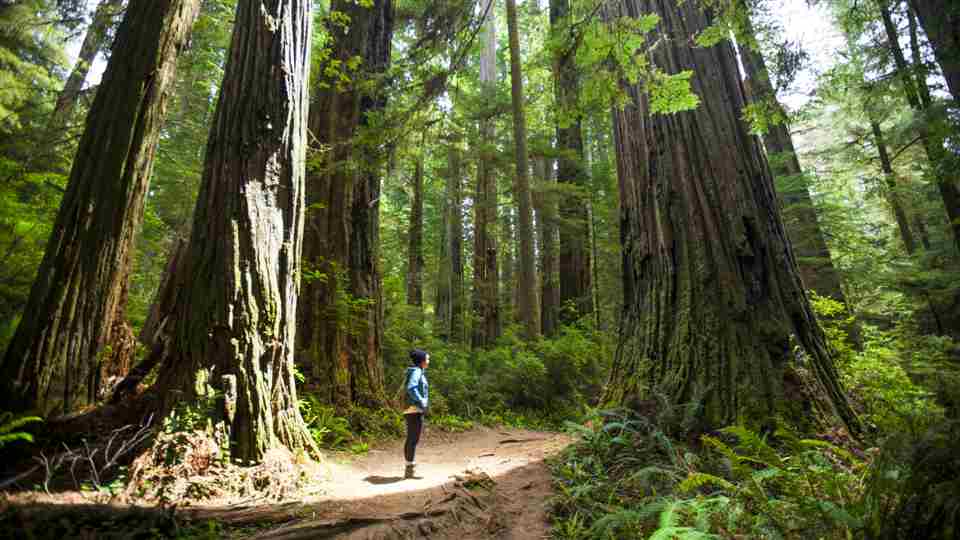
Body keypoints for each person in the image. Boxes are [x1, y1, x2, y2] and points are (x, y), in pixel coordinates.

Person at [404, 349, 429, 479]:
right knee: (413, 438)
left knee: (412, 438)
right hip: (414, 409)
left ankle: (409, 467)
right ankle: (409, 469)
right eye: (427, 359)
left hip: (412, 409)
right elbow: (411, 387)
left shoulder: (418, 371)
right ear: (422, 361)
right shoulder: (417, 371)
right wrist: (422, 401)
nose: (428, 361)